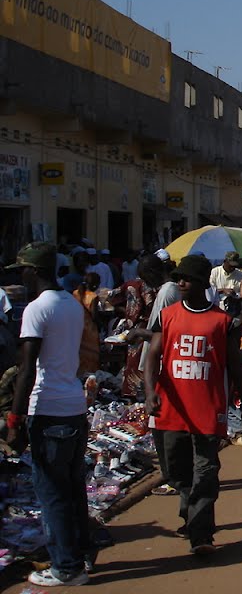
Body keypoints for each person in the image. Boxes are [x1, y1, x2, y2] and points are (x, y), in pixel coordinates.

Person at [144, 254, 242, 555]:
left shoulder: (222, 322)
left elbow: (235, 366)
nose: (181, 283)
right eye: (179, 277)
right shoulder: (167, 316)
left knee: (205, 473)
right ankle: (189, 512)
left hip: (209, 411)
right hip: (171, 410)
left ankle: (201, 536)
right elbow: (153, 355)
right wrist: (149, 393)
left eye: (187, 278)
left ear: (204, 282)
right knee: (177, 473)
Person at [5, 243, 92, 587]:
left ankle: (67, 568)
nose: (19, 277)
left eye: (22, 271)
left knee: (52, 492)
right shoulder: (71, 303)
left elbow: (26, 369)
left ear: (34, 271)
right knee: (73, 489)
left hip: (49, 410)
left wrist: (15, 419)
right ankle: (81, 555)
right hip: (74, 408)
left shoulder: (36, 309)